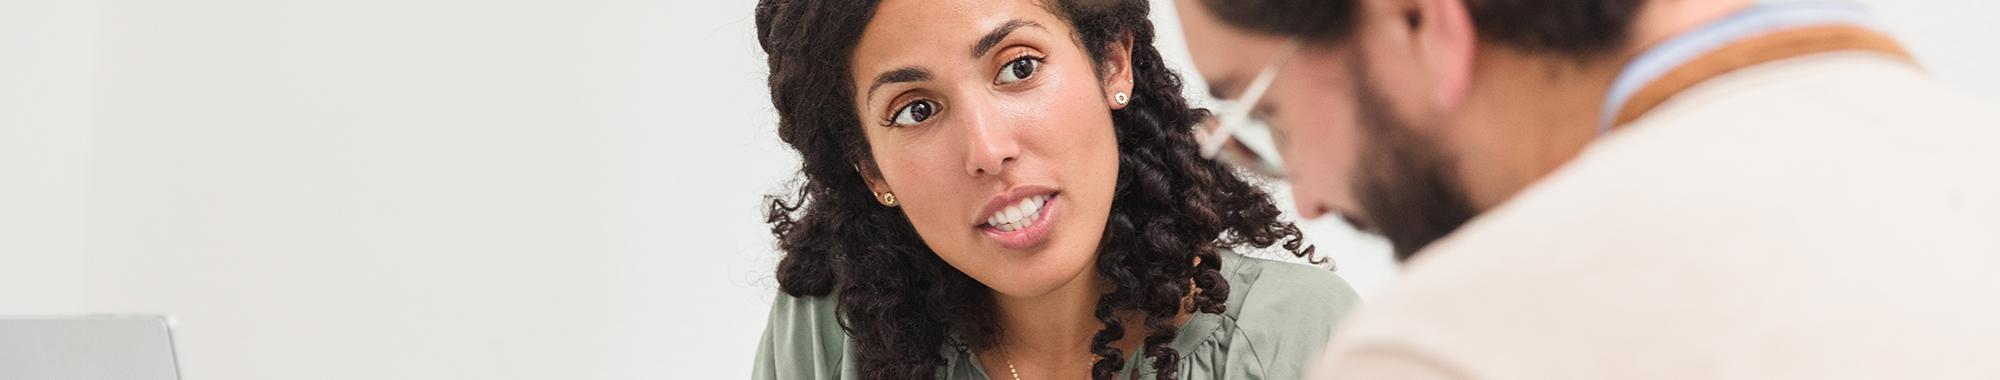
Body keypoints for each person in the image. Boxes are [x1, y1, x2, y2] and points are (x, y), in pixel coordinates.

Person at [1173, 0, 2000, 379]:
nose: (1306, 198)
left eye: (1271, 113)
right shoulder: (1972, 159)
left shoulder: (1446, 346)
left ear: (1419, 21)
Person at [749, 0, 1365, 379]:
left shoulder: (1295, 341)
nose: (988, 151)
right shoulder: (836, 331)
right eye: (915, 110)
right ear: (872, 169)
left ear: (1113, 64)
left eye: (1019, 67)